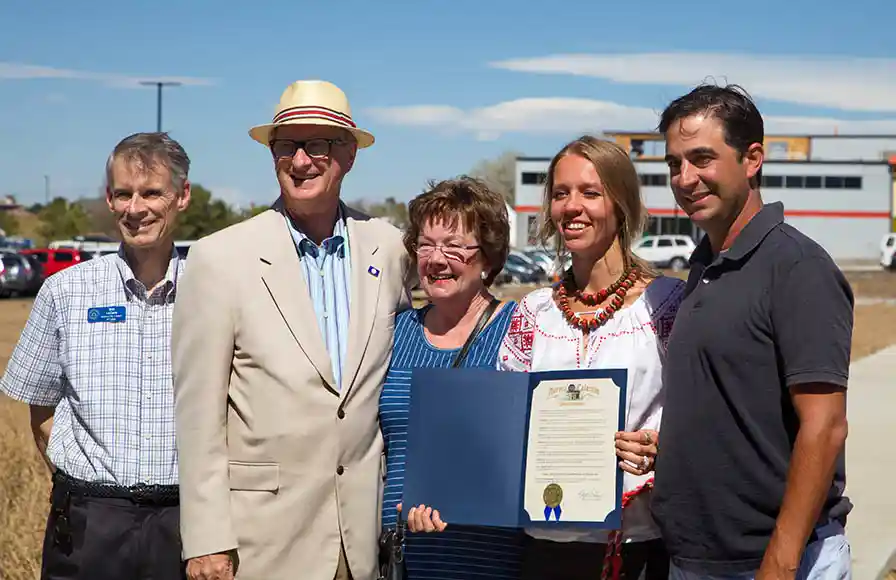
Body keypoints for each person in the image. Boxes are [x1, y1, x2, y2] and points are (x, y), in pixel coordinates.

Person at [171, 80, 413, 580]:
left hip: (363, 540)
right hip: (260, 544)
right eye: (287, 146)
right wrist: (207, 539)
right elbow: (198, 416)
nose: (301, 161)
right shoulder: (221, 258)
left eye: (318, 145)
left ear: (348, 155)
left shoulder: (389, 249)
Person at [650, 84, 853, 580]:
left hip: (776, 562)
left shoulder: (796, 267)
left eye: (702, 158)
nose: (686, 178)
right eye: (674, 164)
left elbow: (824, 427)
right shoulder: (702, 268)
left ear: (752, 158)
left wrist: (779, 564)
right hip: (698, 559)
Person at [0, 132, 192, 580]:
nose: (135, 207)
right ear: (109, 198)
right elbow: (40, 411)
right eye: (123, 193)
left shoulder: (212, 290)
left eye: (151, 193)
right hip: (90, 524)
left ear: (182, 196)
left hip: (186, 523)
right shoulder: (66, 291)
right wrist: (87, 495)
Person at [497, 135, 685, 580]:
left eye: (590, 192)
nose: (571, 206)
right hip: (546, 546)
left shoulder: (667, 305)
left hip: (639, 545)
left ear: (621, 203)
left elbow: (702, 415)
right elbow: (504, 421)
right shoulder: (533, 313)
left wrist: (661, 446)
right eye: (560, 194)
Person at [379, 176, 526, 579]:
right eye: (426, 244)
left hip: (486, 559)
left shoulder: (518, 330)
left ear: (490, 259)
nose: (437, 259)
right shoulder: (395, 331)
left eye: (456, 247)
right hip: (401, 559)